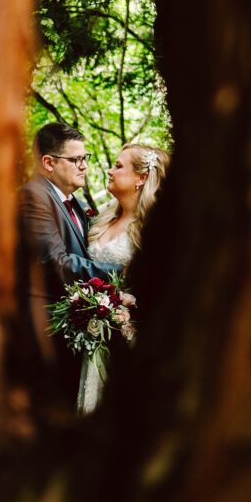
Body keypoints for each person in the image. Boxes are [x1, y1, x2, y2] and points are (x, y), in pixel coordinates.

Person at [16, 122, 121, 404]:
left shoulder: (74, 203)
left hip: (77, 331)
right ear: (48, 163)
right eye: (76, 160)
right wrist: (122, 271)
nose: (84, 166)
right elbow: (55, 262)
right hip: (45, 331)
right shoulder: (32, 196)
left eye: (85, 158)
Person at [77, 142, 170, 415]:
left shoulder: (150, 229)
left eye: (118, 166)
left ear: (141, 177)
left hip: (127, 340)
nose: (110, 170)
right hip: (92, 336)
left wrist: (130, 306)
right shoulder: (103, 220)